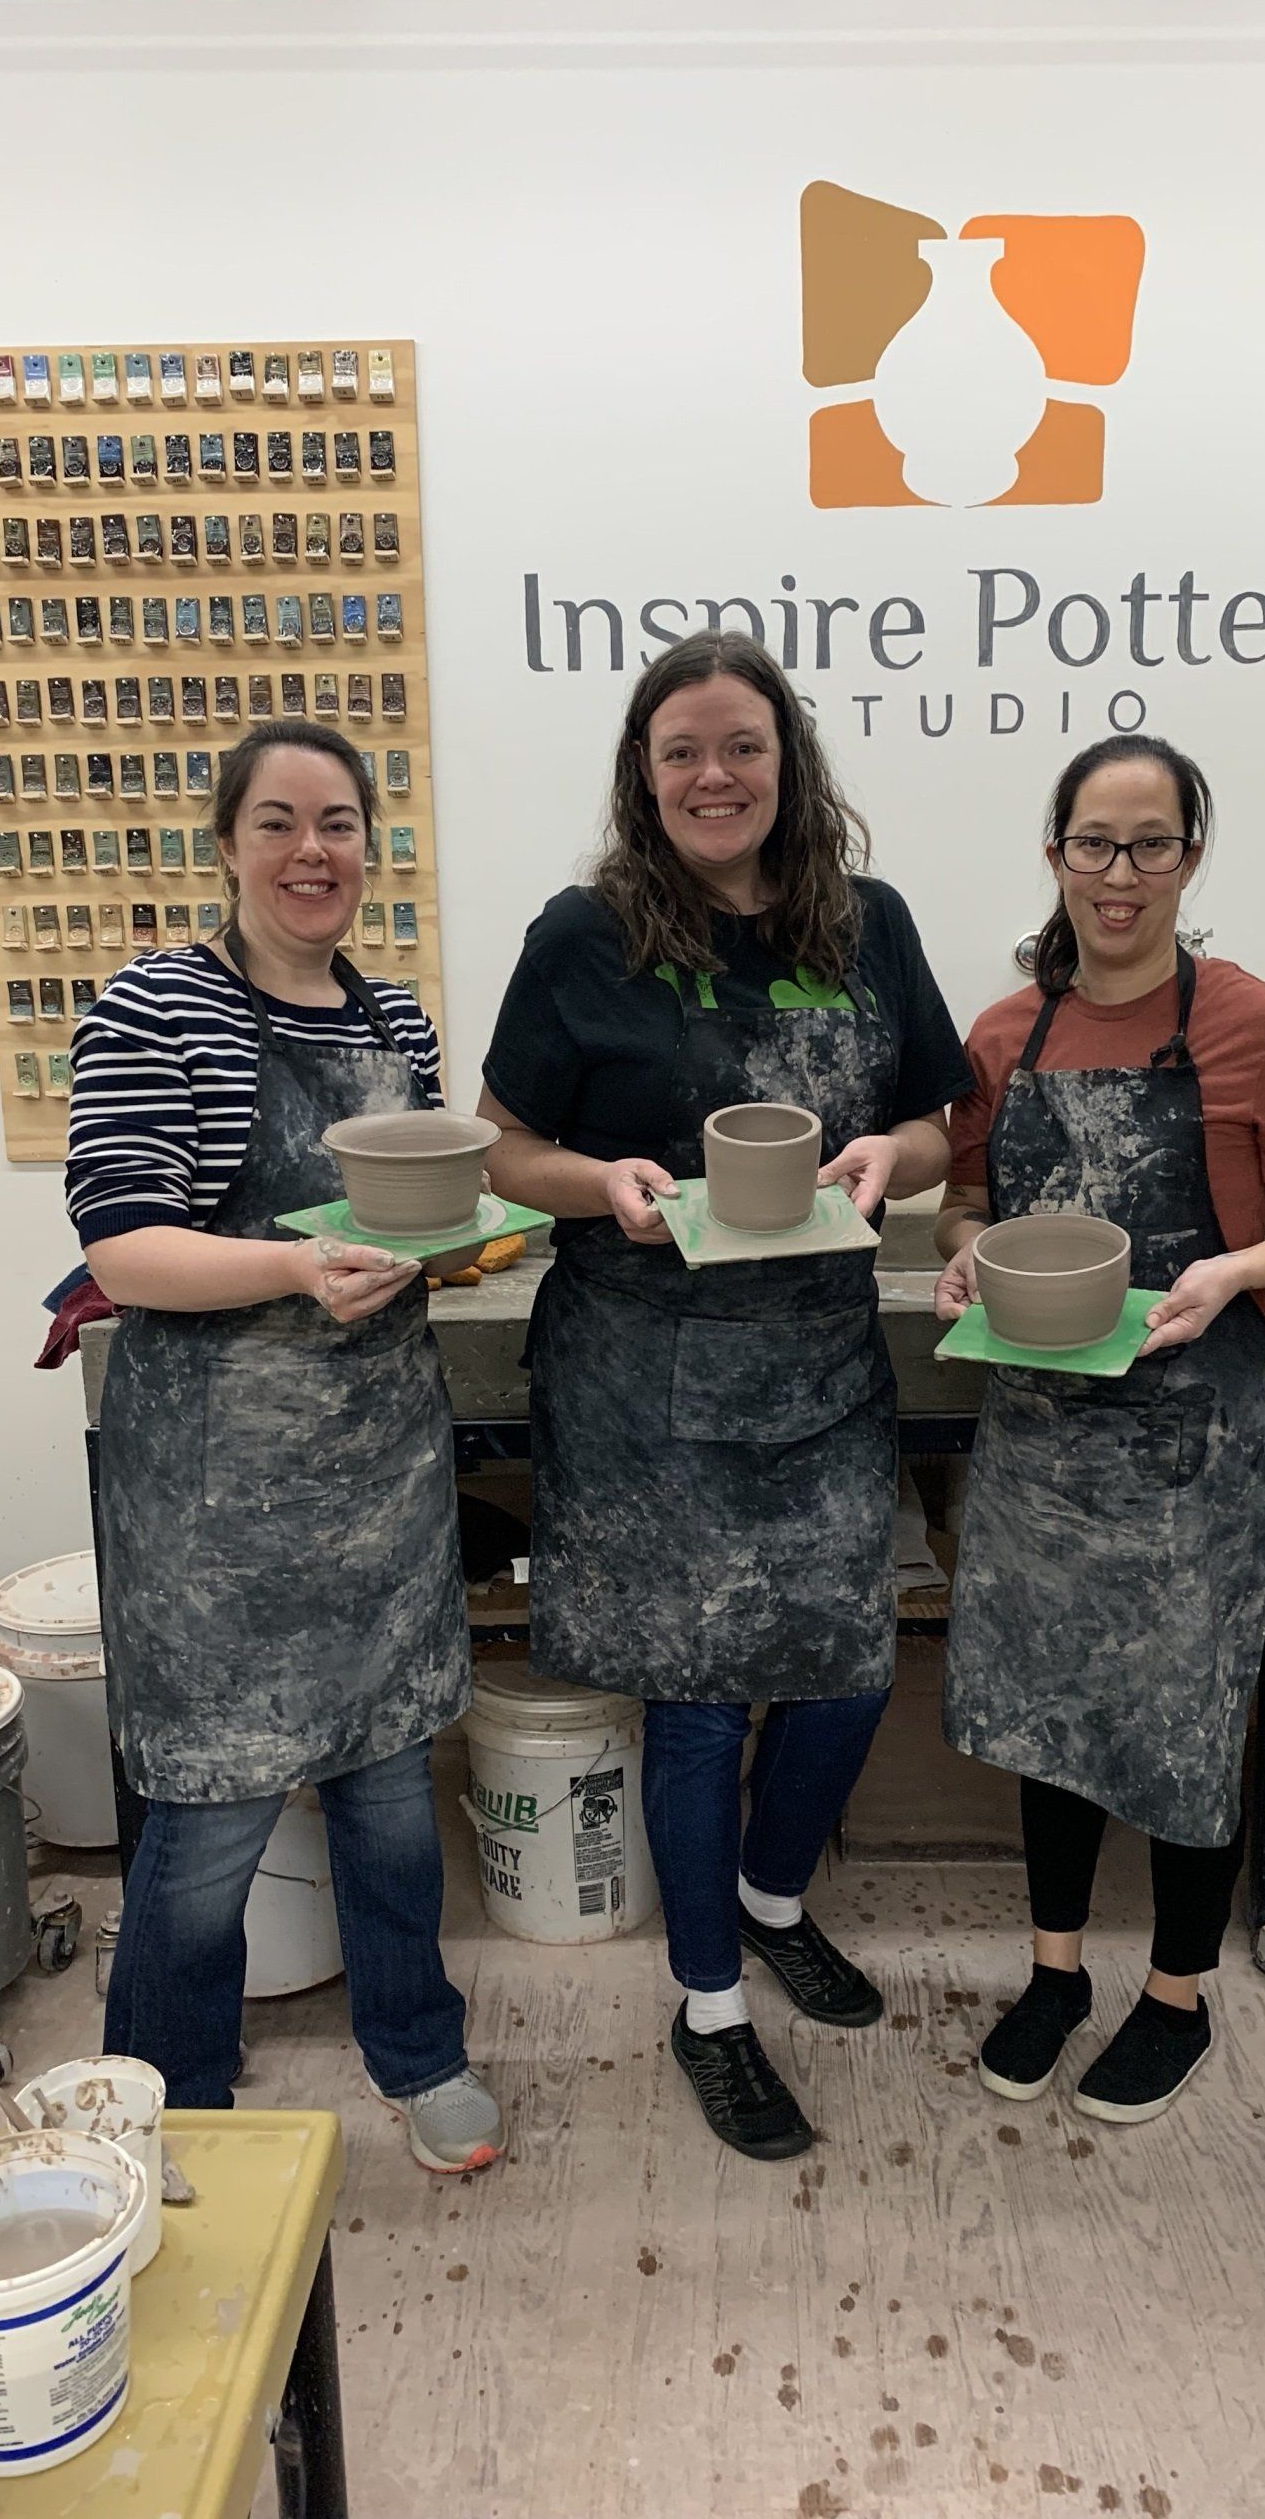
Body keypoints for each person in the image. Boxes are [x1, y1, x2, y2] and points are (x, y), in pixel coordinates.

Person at [478, 632, 971, 2163]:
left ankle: (771, 1898)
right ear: (644, 770)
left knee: (845, 1665)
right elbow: (502, 1149)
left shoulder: (866, 925)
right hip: (640, 1356)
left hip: (818, 1351)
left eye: (743, 746)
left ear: (787, 763)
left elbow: (939, 1124)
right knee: (693, 1702)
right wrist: (603, 1180)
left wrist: (895, 1159)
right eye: (683, 748)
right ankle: (708, 2007)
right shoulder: (585, 936)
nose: (714, 775)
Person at [67, 718, 503, 2173]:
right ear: (228, 844)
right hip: (217, 1510)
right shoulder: (158, 1008)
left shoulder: (395, 1030)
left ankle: (419, 2052)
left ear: (369, 845)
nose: (312, 852)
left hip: (374, 1480)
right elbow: (126, 1253)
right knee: (208, 1832)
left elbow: (412, 1224)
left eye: (337, 823)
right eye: (277, 823)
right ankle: (165, 2107)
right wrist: (299, 1271)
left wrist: (459, 1249)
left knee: (388, 1796)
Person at [935, 735, 1265, 2126]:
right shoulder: (1006, 1036)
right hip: (1040, 1442)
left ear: (1192, 855)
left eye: (1151, 844)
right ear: (1054, 852)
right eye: (1093, 843)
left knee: (1187, 1726)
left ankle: (1177, 1993)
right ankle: (1057, 1974)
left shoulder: (1264, 1026)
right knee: (1048, 1713)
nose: (1118, 875)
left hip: (1193, 1441)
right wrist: (961, 1256)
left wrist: (1236, 1272)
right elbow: (960, 1201)